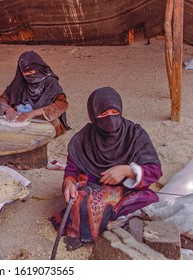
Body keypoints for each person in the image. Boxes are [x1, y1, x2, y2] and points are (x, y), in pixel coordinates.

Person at [50, 87, 162, 250]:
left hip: (127, 192)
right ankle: (111, 227)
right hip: (94, 190)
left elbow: (155, 171)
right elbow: (72, 170)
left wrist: (127, 171)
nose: (110, 119)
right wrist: (68, 181)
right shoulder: (82, 139)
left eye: (114, 112)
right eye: (103, 114)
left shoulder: (135, 134)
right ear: (93, 115)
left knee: (150, 201)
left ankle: (101, 227)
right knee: (81, 203)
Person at [0, 50, 69, 137]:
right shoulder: (20, 81)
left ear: (38, 68)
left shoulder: (50, 82)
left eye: (31, 72)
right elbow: (1, 99)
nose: (28, 76)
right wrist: (7, 109)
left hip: (44, 117)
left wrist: (34, 113)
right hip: (21, 116)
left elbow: (62, 104)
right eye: (25, 73)